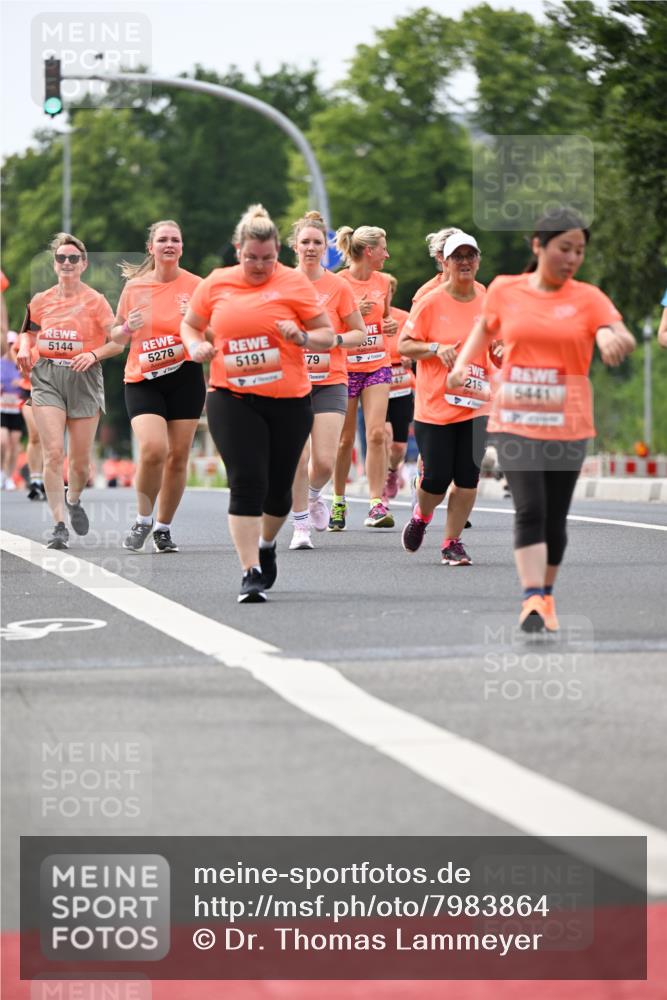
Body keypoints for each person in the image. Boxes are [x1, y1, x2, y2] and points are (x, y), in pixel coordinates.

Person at [448, 209, 635, 632]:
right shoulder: (504, 290)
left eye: (579, 251)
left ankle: (546, 595)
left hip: (568, 424)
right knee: (529, 508)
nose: (571, 258)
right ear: (538, 245)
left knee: (554, 517)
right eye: (563, 248)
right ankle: (532, 597)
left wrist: (611, 338)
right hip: (516, 420)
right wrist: (461, 364)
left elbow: (616, 330)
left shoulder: (588, 297)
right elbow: (484, 328)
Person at [180, 204, 333, 603]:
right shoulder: (216, 282)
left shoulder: (296, 285)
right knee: (247, 482)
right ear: (237, 249)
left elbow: (327, 336)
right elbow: (191, 323)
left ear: (278, 252)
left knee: (279, 492)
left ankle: (267, 544)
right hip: (231, 396)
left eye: (267, 258)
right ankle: (249, 571)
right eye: (251, 258)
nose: (259, 266)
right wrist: (195, 346)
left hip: (289, 398)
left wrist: (300, 337)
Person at [399, 232, 499, 566]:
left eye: (471, 256)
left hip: (475, 402)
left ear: (478, 260)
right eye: (458, 257)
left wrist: (499, 351)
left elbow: (497, 345)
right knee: (437, 478)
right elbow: (404, 345)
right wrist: (435, 348)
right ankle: (422, 516)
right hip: (435, 405)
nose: (466, 262)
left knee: (468, 476)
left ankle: (452, 542)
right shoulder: (430, 300)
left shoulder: (487, 298)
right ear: (446, 262)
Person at [16, 233, 121, 549]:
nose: (66, 263)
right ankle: (58, 524)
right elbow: (27, 334)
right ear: (54, 264)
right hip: (47, 376)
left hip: (84, 378)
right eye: (61, 258)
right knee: (52, 452)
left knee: (78, 461)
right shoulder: (40, 299)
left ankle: (73, 499)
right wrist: (24, 348)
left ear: (84, 264)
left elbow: (117, 341)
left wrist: (93, 354)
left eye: (73, 258)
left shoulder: (96, 301)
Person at [111, 220, 206, 553]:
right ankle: (142, 519)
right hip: (143, 379)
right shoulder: (135, 288)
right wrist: (126, 326)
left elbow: (212, 337)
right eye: (162, 239)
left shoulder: (197, 286)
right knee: (154, 450)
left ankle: (163, 529)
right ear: (151, 247)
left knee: (178, 457)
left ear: (182, 247)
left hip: (185, 378)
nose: (169, 244)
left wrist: (193, 322)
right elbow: (116, 336)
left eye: (175, 240)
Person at [287, 210, 366, 550]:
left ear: (326, 248)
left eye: (317, 242)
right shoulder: (280, 283)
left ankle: (315, 495)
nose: (310, 248)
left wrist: (335, 341)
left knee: (323, 460)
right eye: (304, 242)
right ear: (294, 246)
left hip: (330, 379)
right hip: (290, 383)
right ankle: (300, 526)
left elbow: (360, 333)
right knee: (298, 457)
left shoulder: (338, 286)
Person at [329, 225, 398, 530]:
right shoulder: (338, 282)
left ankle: (375, 503)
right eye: (383, 247)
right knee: (344, 441)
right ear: (369, 251)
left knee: (377, 434)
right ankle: (338, 501)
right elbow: (326, 323)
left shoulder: (383, 281)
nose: (387, 253)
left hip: (376, 364)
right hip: (345, 367)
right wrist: (352, 311)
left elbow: (383, 319)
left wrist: (389, 325)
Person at [383, 274, 413, 502]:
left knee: (399, 447)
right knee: (383, 435)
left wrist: (409, 358)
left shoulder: (404, 318)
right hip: (376, 384)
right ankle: (380, 484)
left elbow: (414, 343)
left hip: (401, 386)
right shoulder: (367, 319)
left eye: (388, 291)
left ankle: (393, 472)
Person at [1, 332, 24, 490]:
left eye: (14, 346)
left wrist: (21, 383)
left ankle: (9, 476)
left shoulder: (22, 364)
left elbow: (29, 384)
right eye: (8, 345)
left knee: (14, 444)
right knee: (2, 442)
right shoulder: (0, 363)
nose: (11, 349)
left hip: (17, 407)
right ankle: (1, 471)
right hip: (2, 407)